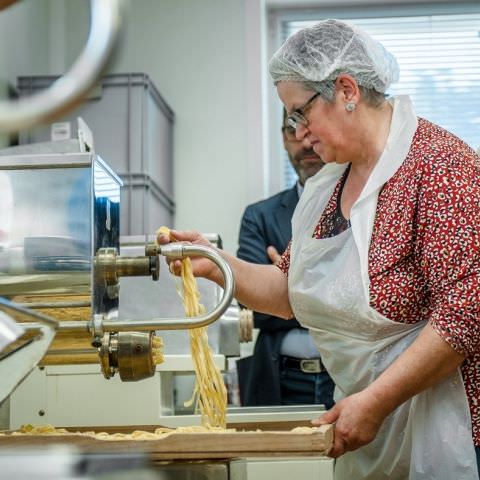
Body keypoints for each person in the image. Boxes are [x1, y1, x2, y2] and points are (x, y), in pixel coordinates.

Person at [158, 19, 480, 479]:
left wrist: (375, 401)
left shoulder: (441, 167)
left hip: (449, 425)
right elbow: (291, 290)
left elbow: (467, 312)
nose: (297, 132)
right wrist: (216, 264)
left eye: (299, 113)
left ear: (346, 90)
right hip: (369, 419)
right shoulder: (330, 186)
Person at [236, 110, 334, 408]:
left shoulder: (359, 209)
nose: (304, 144)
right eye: (293, 132)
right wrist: (328, 283)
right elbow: (253, 307)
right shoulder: (260, 216)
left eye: (311, 130)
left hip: (346, 378)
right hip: (279, 379)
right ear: (283, 137)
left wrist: (286, 279)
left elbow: (368, 297)